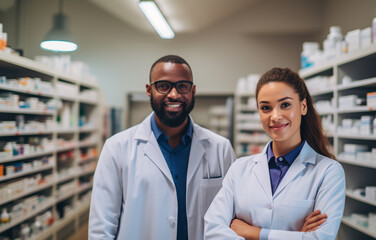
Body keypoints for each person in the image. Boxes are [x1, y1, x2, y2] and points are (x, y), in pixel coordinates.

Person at [88, 55, 236, 240]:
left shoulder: (221, 149)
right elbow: (102, 225)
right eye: (164, 86)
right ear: (149, 90)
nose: (174, 94)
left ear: (193, 90)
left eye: (182, 86)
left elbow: (232, 217)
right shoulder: (117, 148)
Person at [204, 67, 346, 240]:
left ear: (303, 106)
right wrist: (297, 236)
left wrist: (254, 233)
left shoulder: (328, 172)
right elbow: (212, 231)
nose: (275, 116)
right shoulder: (239, 169)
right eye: (266, 108)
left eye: (285, 105)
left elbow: (320, 238)